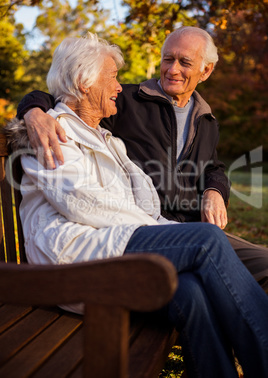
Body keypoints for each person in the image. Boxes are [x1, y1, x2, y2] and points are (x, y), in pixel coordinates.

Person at [7, 32, 268, 378]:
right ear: (86, 83)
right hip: (74, 259)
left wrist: (207, 196)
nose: (118, 86)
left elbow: (158, 194)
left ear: (205, 71)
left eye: (184, 61)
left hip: (113, 242)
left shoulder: (110, 137)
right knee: (206, 240)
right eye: (112, 77)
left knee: (190, 293)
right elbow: (84, 203)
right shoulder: (54, 133)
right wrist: (33, 110)